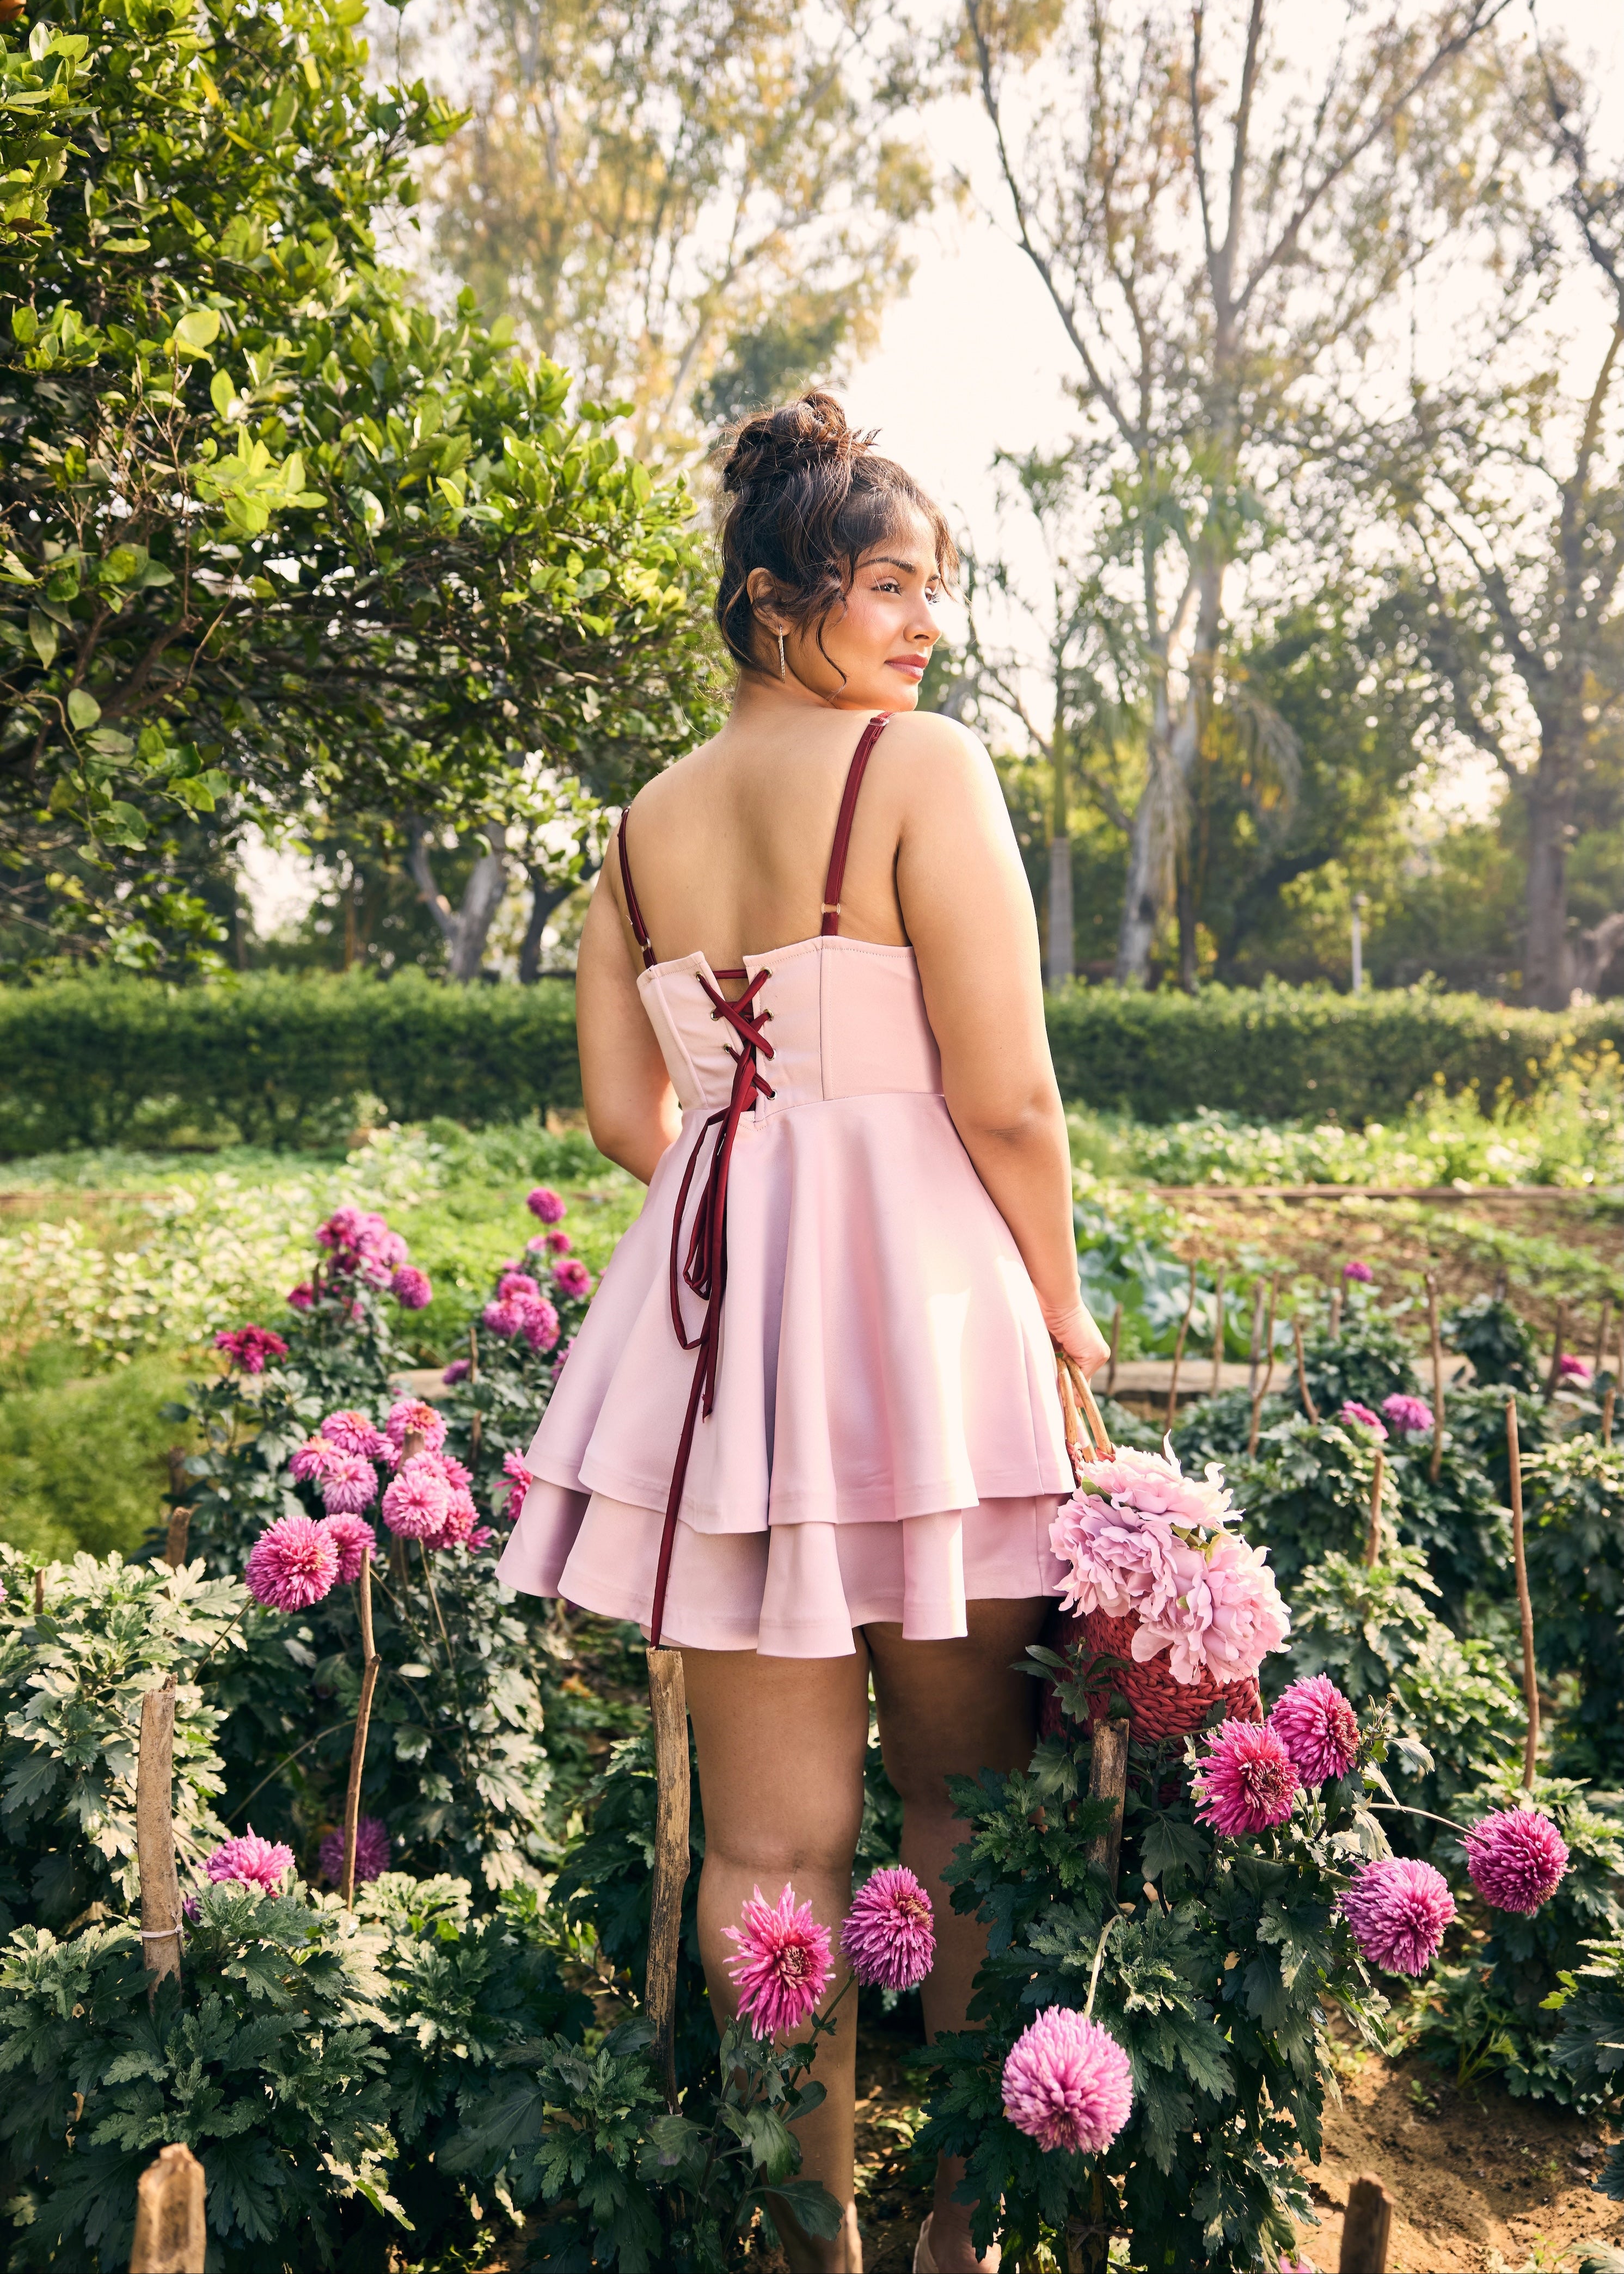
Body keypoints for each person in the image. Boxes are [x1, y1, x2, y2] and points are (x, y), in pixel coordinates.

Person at [497, 392, 1108, 2274]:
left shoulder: (631, 832)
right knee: (965, 1805)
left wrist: (755, 1175)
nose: (927, 628)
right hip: (917, 1325)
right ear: (780, 602)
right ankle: (956, 2234)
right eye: (891, 588)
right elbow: (1005, 1093)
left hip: (718, 1338)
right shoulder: (920, 768)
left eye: (937, 591)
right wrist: (1069, 1322)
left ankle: (808, 2232)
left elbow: (625, 1120)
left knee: (772, 1860)